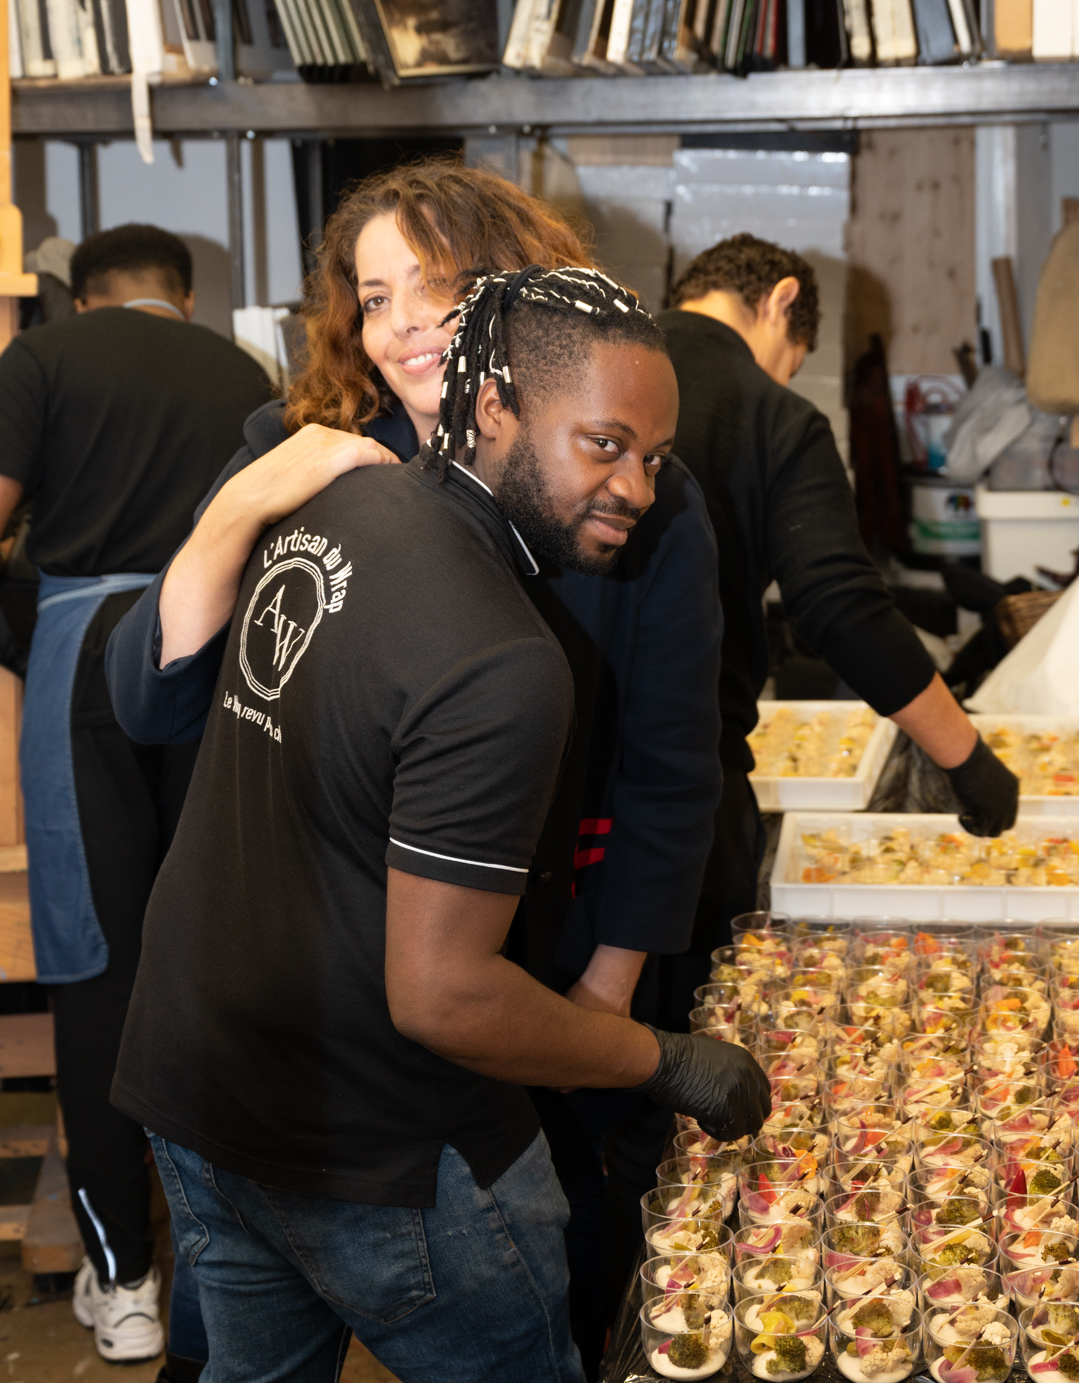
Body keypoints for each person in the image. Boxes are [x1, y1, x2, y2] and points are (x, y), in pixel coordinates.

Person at [106, 160, 724, 1375]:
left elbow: (668, 769)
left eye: (435, 288)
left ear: (518, 302)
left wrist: (598, 1009)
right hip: (306, 1011)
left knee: (561, 1260)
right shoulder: (307, 459)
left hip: (534, 959)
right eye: (374, 296)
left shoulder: (625, 491)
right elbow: (151, 696)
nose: (400, 326)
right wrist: (239, 508)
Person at [0, 224, 272, 1370]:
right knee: (212, 954)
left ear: (83, 297)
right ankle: (237, 1267)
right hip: (216, 664)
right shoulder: (241, 372)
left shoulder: (41, 359)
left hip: (85, 667)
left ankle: (124, 1284)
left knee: (95, 964)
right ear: (184, 297)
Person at [662, 231, 1020, 953]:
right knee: (682, 1000)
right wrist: (966, 758)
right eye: (791, 361)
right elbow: (839, 607)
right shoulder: (773, 415)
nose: (782, 380)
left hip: (544, 774)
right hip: (682, 781)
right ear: (780, 300)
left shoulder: (588, 368)